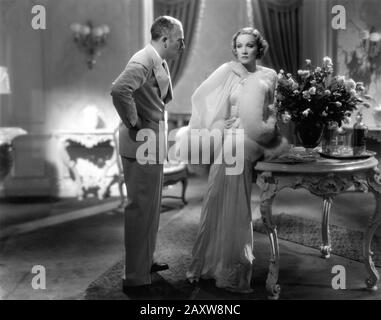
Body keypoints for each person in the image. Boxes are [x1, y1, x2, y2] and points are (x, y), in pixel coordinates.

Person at [182, 27, 287, 293]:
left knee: (236, 181)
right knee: (218, 193)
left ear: (258, 48)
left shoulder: (270, 76)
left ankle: (235, 269)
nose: (243, 50)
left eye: (249, 45)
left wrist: (265, 129)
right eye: (239, 45)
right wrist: (219, 121)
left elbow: (274, 112)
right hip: (231, 137)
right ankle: (209, 263)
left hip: (253, 139)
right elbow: (202, 98)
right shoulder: (228, 70)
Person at [110, 16, 185, 293]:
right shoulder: (143, 60)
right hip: (141, 142)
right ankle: (134, 276)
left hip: (151, 142)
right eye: (180, 39)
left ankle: (145, 262)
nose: (182, 44)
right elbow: (119, 90)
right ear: (165, 39)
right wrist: (133, 122)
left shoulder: (157, 59)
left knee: (151, 206)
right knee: (140, 208)